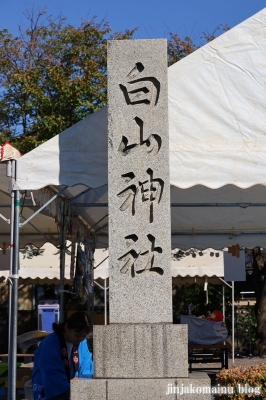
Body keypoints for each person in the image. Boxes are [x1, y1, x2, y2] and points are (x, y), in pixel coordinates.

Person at [32, 311, 93, 400]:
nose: (79, 339)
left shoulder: (82, 343)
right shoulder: (50, 342)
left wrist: (82, 383)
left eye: (84, 336)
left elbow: (87, 367)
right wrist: (71, 388)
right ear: (66, 327)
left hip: (73, 392)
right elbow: (52, 372)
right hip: (50, 393)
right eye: (77, 334)